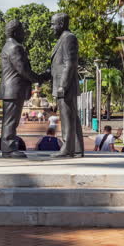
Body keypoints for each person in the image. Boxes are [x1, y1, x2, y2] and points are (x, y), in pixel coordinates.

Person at [0, 20, 42, 158]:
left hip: (11, 90)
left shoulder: (7, 46)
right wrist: (39, 78)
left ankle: (8, 148)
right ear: (16, 32)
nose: (24, 34)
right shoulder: (15, 47)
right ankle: (9, 148)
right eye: (22, 31)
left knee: (11, 120)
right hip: (13, 89)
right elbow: (23, 70)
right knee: (11, 121)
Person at [46, 13, 84, 158]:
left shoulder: (68, 38)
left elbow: (70, 63)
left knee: (67, 117)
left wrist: (63, 85)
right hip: (63, 84)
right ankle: (78, 149)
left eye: (53, 24)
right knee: (72, 116)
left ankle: (67, 149)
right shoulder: (63, 39)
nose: (51, 27)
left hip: (65, 86)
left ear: (61, 24)